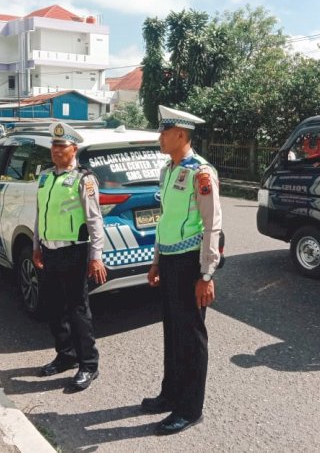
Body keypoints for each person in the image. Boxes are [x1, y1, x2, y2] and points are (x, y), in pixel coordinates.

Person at [142, 105, 222, 435]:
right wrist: (157, 261)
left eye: (164, 131)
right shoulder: (169, 169)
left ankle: (189, 409)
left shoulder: (201, 173)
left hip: (191, 263)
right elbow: (166, 219)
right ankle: (170, 393)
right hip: (171, 261)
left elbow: (212, 224)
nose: (159, 137)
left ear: (181, 135)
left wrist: (206, 275)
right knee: (172, 332)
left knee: (191, 337)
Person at [33, 122, 107, 392]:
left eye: (61, 146)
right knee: (54, 307)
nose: (55, 150)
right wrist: (36, 245)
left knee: (77, 310)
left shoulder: (83, 179)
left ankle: (88, 364)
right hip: (49, 250)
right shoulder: (46, 177)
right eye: (53, 145)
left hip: (74, 250)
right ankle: (65, 355)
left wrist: (96, 256)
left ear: (74, 148)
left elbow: (94, 220)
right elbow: (40, 213)